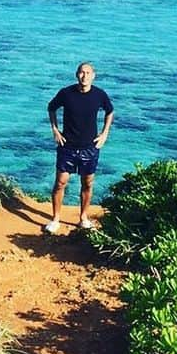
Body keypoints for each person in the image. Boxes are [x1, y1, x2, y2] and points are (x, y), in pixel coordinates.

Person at [44, 62, 114, 233]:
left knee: (87, 183)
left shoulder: (99, 95)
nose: (84, 76)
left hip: (90, 147)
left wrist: (105, 134)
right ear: (77, 75)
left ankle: (83, 217)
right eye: (81, 72)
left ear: (93, 75)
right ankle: (55, 219)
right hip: (67, 146)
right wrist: (55, 130)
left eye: (88, 73)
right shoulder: (66, 93)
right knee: (60, 183)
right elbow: (51, 107)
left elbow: (110, 111)